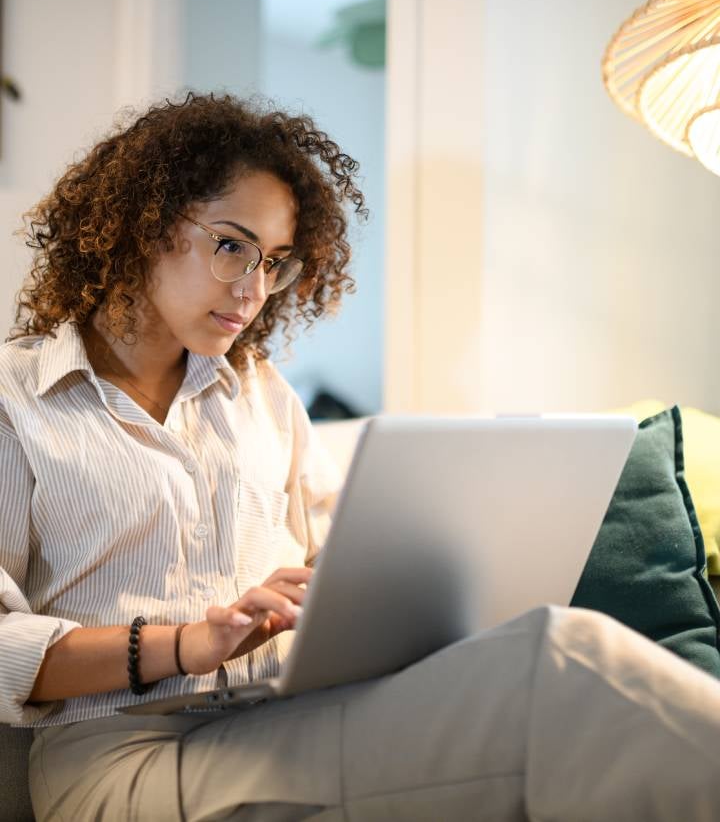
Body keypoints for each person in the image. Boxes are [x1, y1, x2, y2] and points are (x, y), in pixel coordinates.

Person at [1, 92, 720, 822]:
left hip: (277, 709)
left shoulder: (260, 394)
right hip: (118, 755)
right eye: (231, 246)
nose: (253, 290)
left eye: (275, 262)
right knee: (560, 658)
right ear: (145, 225)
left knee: (549, 668)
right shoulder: (16, 397)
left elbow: (333, 569)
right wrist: (187, 643)